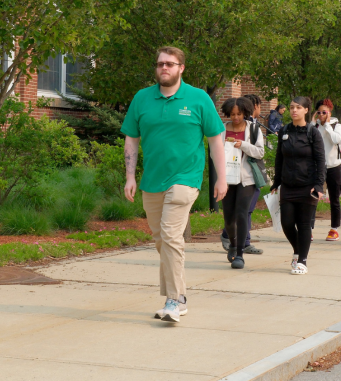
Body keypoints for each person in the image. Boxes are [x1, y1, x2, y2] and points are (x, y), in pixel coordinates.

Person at [122, 46, 227, 322]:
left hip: (185, 178)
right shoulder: (142, 99)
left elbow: (216, 138)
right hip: (152, 181)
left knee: (170, 236)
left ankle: (172, 300)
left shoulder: (198, 98)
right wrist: (130, 176)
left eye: (169, 64)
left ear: (181, 68)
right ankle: (179, 297)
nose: (163, 68)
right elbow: (132, 138)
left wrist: (222, 178)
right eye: (159, 64)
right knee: (162, 241)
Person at [270, 96, 325, 275]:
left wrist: (318, 185)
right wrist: (276, 182)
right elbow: (280, 158)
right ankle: (298, 249)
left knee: (303, 224)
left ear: (306, 110)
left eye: (298, 108)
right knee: (286, 223)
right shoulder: (285, 130)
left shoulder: (312, 133)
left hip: (307, 186)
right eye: (292, 107)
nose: (294, 110)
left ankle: (302, 260)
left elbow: (320, 161)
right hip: (288, 185)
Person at [220, 97, 265, 269]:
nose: (236, 117)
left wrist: (243, 145)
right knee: (229, 219)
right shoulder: (222, 129)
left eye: (239, 114)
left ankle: (240, 254)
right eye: (233, 114)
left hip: (247, 179)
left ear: (245, 113)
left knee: (241, 214)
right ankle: (232, 243)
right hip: (227, 179)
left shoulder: (253, 129)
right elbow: (214, 154)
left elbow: (260, 152)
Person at [313, 99, 341, 241]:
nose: (321, 115)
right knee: (312, 197)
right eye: (319, 112)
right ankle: (309, 228)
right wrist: (314, 123)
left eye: (324, 112)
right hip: (318, 168)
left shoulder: (337, 125)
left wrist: (327, 125)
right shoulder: (315, 126)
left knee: (334, 199)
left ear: (330, 113)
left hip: (333, 167)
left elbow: (336, 140)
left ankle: (334, 229)